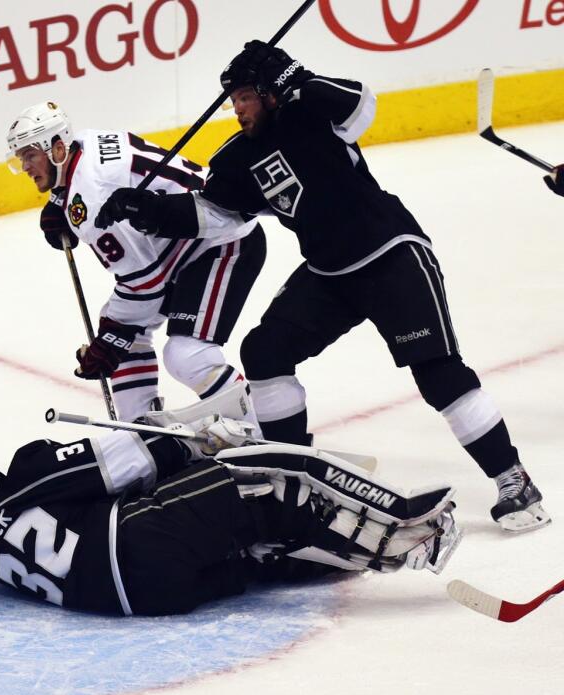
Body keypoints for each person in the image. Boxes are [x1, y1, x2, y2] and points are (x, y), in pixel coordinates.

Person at [94, 41, 549, 533]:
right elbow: (216, 215)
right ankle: (291, 473)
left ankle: (513, 480)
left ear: (270, 92)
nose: (237, 109)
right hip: (329, 275)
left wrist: (297, 75)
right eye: (233, 100)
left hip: (391, 255)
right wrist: (150, 211)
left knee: (437, 374)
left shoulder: (313, 111)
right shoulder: (239, 156)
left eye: (245, 97)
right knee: (265, 352)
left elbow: (361, 104)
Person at [0, 415, 459, 616]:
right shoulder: (26, 474)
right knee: (269, 480)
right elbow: (120, 464)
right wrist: (187, 443)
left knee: (258, 552)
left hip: (148, 600)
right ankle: (404, 525)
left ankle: (376, 558)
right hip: (139, 539)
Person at [6, 101, 267, 421]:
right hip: (183, 243)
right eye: (21, 158)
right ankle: (142, 433)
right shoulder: (85, 142)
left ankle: (261, 430)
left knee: (185, 356)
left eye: (30, 156)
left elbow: (144, 286)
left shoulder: (91, 199)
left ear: (58, 148)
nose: (25, 167)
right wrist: (60, 200)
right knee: (120, 333)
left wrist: (111, 339)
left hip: (224, 240)